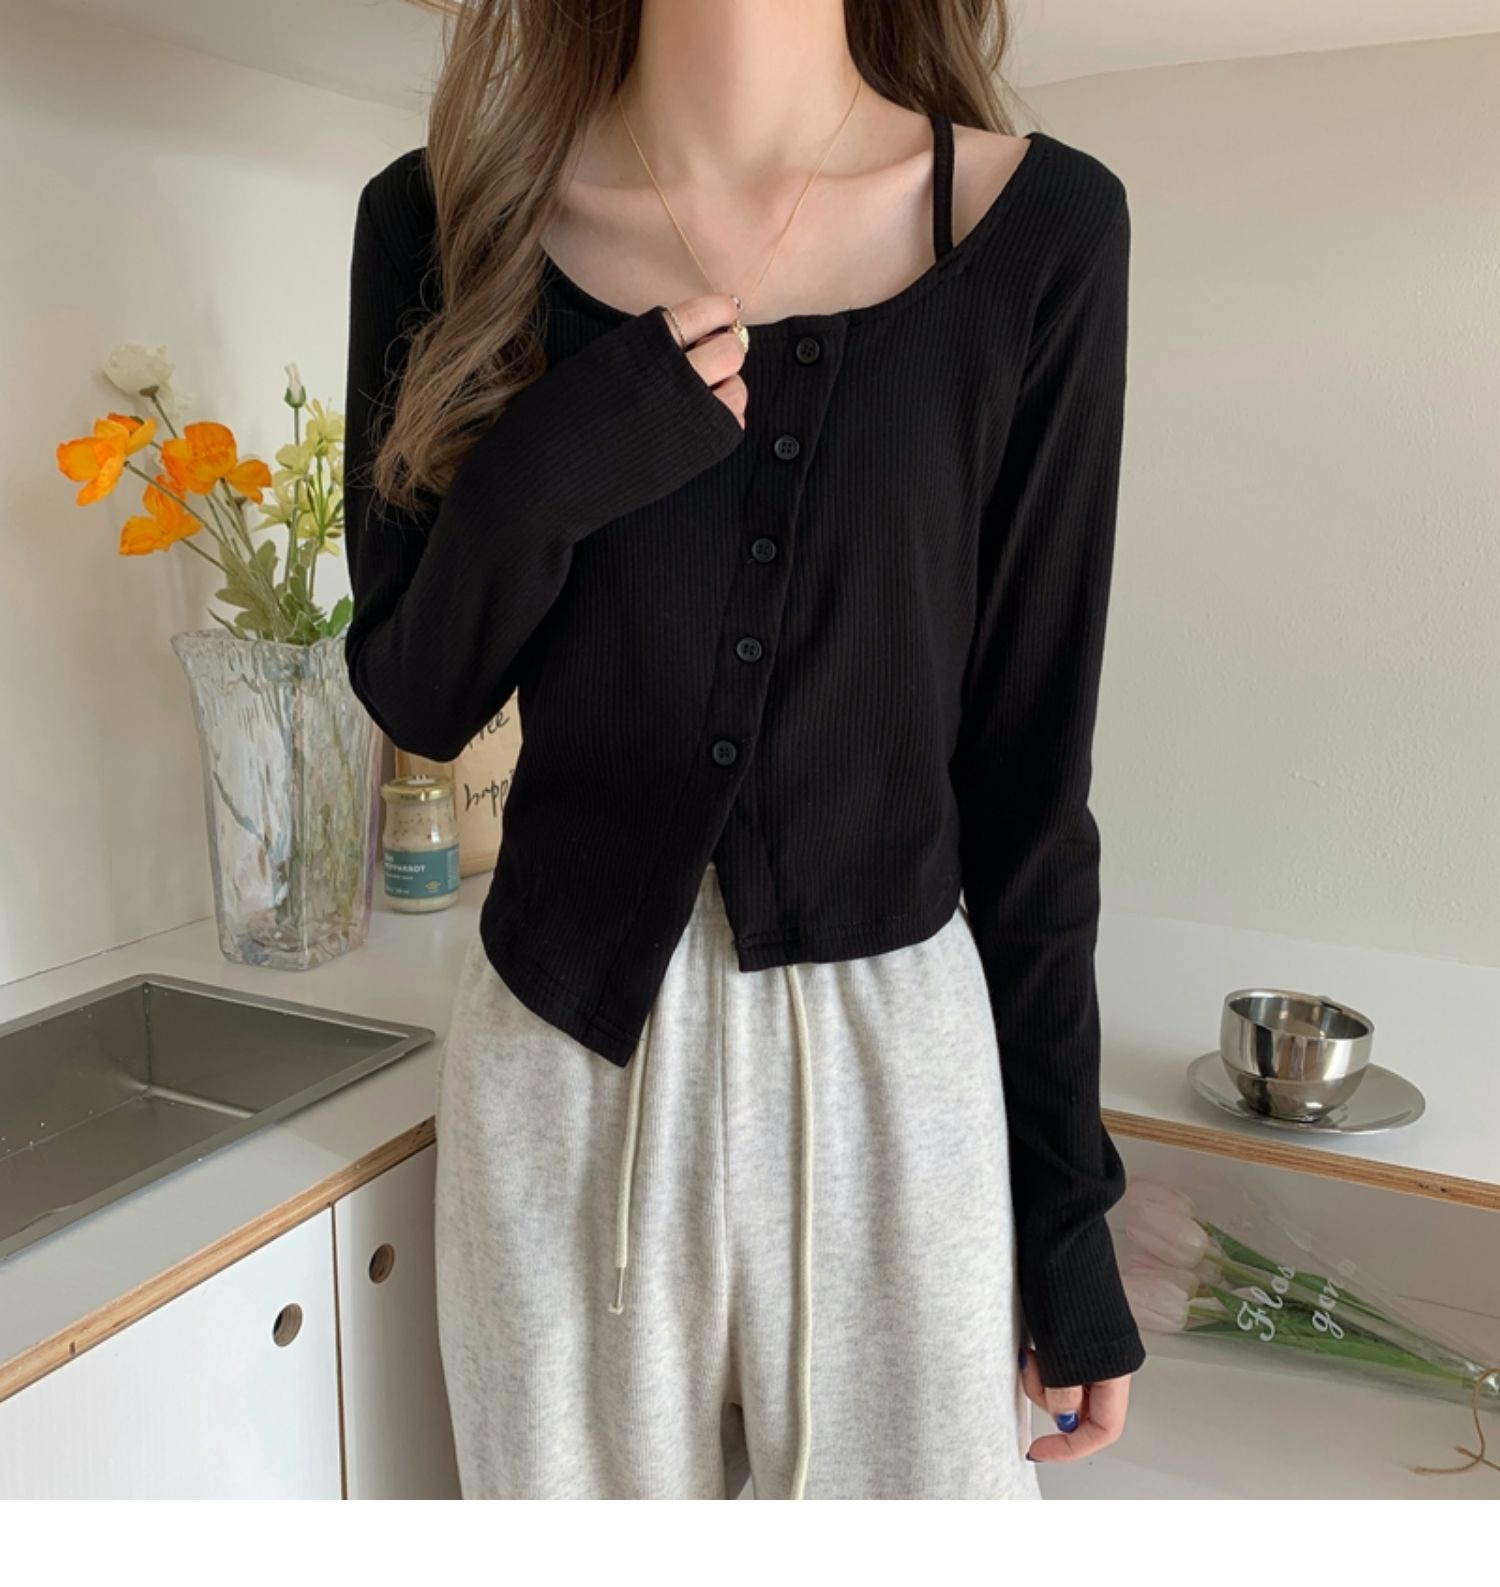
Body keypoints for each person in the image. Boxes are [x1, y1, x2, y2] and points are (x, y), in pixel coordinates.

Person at [342, 0, 1145, 1500]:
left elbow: (1031, 781)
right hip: (561, 1076)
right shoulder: (447, 224)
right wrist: (538, 480)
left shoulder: (1043, 233)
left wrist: (1065, 1211)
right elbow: (416, 695)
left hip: (897, 1080)